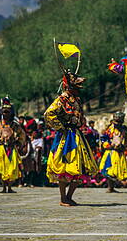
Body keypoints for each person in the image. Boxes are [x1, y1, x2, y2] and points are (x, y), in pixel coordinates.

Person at [44, 43, 98, 206]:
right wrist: (61, 127)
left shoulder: (76, 99)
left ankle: (69, 196)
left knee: (80, 167)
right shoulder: (62, 99)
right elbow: (48, 114)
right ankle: (62, 198)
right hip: (66, 137)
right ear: (69, 84)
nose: (80, 84)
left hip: (77, 136)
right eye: (76, 81)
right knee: (65, 168)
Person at [0, 96, 26, 193]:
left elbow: (22, 135)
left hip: (12, 149)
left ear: (11, 112)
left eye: (7, 112)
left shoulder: (15, 125)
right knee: (2, 168)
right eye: (4, 112)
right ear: (1, 113)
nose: (5, 114)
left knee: (12, 168)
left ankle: (10, 187)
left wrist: (19, 143)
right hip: (1, 148)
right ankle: (3, 187)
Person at [99, 112, 127, 193]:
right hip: (111, 151)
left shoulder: (123, 130)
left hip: (119, 152)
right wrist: (108, 145)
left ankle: (112, 187)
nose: (117, 124)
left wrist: (123, 145)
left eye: (119, 122)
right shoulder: (109, 129)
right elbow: (103, 139)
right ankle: (110, 187)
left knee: (116, 171)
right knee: (110, 169)